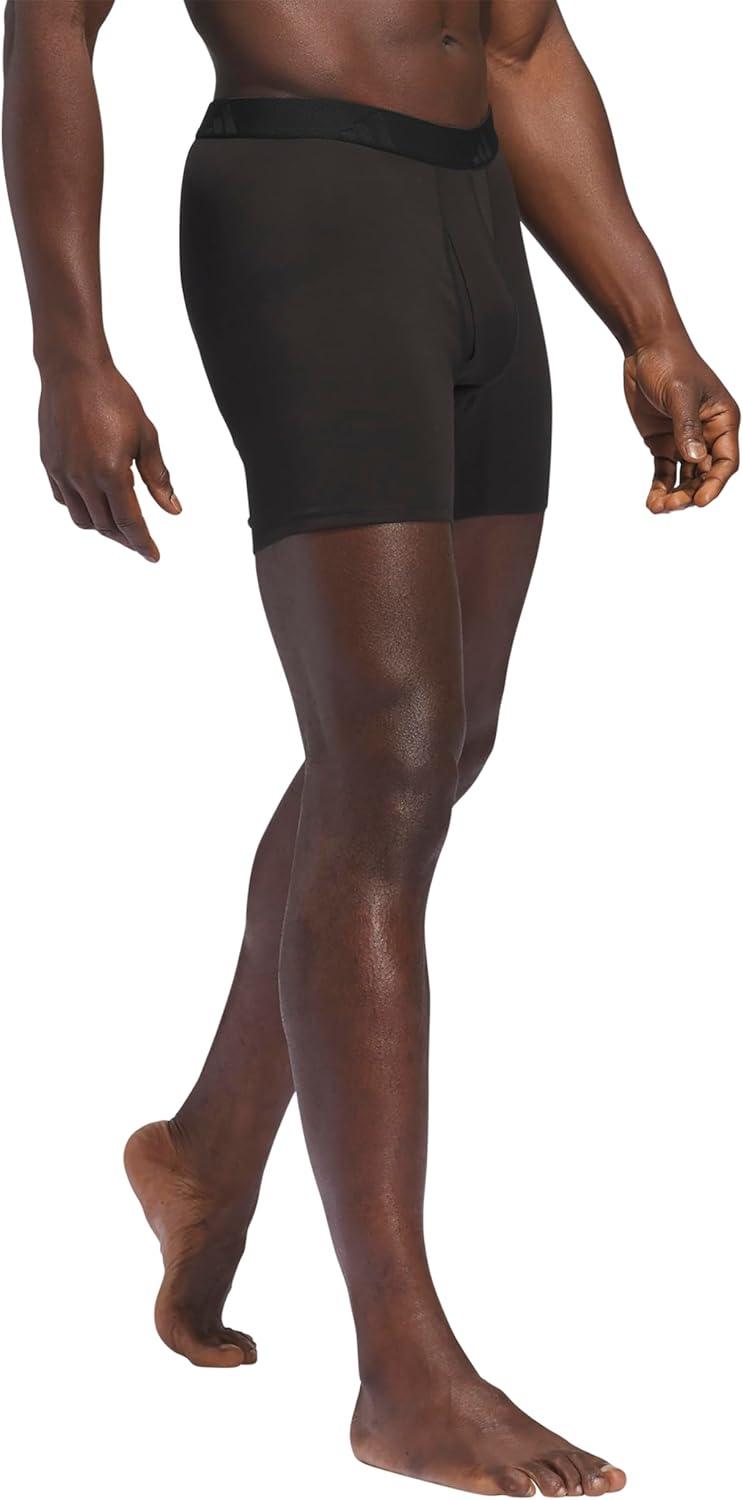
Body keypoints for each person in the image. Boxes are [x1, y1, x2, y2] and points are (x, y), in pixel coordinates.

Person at [3, 2, 738, 1495]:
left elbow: (521, 43)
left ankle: (207, 1150)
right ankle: (403, 1367)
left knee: (435, 741)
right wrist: (71, 344)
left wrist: (651, 319)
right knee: (390, 752)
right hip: (306, 206)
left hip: (478, 215)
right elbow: (49, 23)